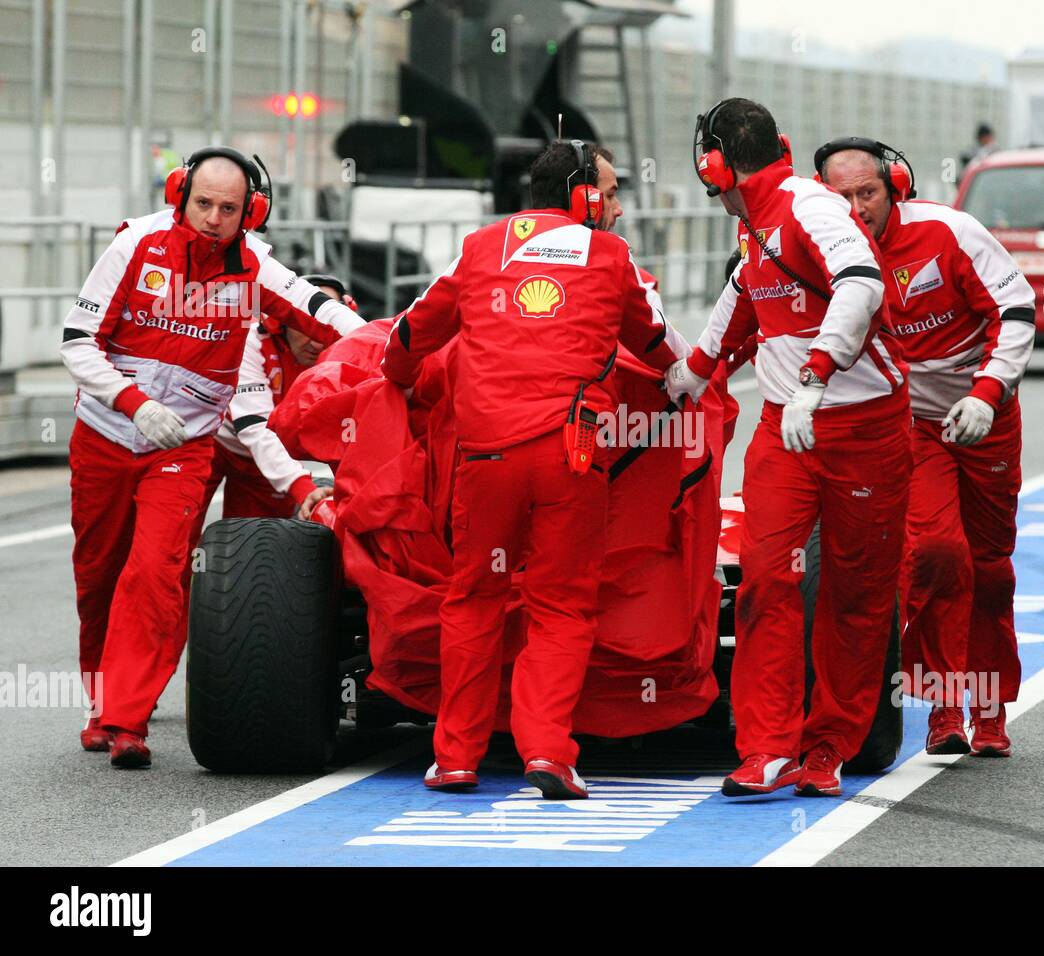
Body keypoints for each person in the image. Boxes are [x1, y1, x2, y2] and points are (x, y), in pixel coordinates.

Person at [381, 140, 685, 799]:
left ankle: (456, 757)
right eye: (608, 192)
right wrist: (692, 378)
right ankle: (547, 751)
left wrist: (397, 379)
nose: (616, 207)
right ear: (582, 196)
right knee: (562, 605)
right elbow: (661, 346)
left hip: (486, 457)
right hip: (570, 458)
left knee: (474, 599)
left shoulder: (481, 246)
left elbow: (408, 336)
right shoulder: (611, 256)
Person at [61, 146, 365, 768]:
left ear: (249, 212)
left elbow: (318, 308)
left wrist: (393, 337)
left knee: (155, 572)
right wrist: (134, 402)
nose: (214, 218)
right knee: (99, 575)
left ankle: (126, 720)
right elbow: (75, 341)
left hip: (185, 449)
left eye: (229, 208)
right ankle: (98, 701)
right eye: (203, 203)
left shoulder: (255, 265)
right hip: (105, 435)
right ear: (180, 195)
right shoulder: (134, 246)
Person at [665, 99, 911, 798]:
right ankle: (768, 746)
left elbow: (861, 284)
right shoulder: (758, 225)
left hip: (864, 429)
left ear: (715, 166)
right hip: (786, 430)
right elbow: (745, 291)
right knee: (767, 579)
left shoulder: (809, 207)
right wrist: (693, 370)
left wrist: (816, 377)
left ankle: (831, 745)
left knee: (855, 594)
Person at [817, 135, 1035, 757]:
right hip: (912, 426)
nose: (858, 208)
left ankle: (988, 710)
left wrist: (988, 392)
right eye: (843, 197)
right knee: (939, 552)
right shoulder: (822, 253)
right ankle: (943, 708)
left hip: (988, 415)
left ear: (897, 188)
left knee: (990, 567)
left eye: (869, 193)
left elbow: (1017, 308)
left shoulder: (951, 233)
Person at [201, 273, 359, 521]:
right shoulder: (249, 339)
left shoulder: (350, 350)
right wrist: (303, 487)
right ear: (282, 318)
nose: (317, 342)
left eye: (325, 327)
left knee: (256, 551)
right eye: (304, 324)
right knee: (176, 539)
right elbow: (255, 426)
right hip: (209, 443)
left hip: (269, 459)